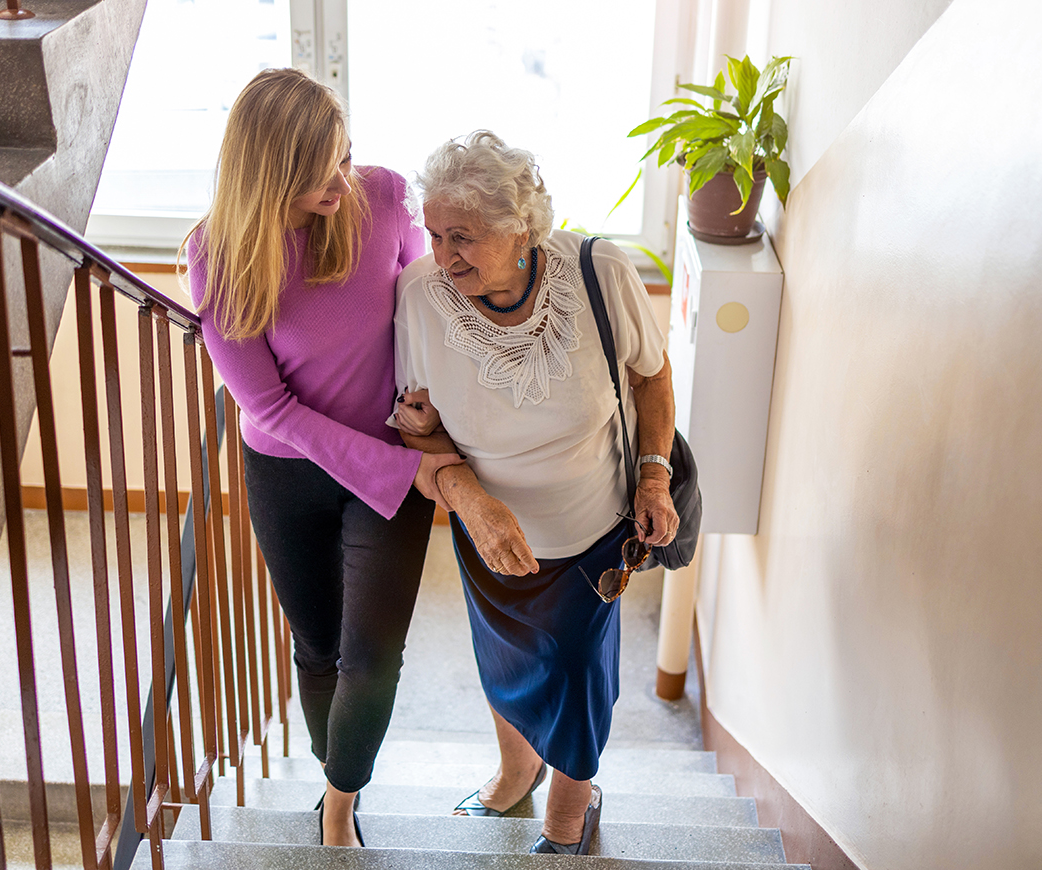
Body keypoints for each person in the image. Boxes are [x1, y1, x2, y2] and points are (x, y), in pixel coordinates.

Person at [182, 68, 462, 848]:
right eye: (320, 172)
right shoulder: (217, 255)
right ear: (270, 173)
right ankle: (336, 771)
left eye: (345, 156)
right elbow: (269, 408)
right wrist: (404, 470)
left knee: (372, 658)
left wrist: (427, 414)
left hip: (392, 460)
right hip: (289, 471)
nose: (343, 181)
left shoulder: (384, 196)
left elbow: (426, 309)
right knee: (318, 650)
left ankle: (339, 804)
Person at [390, 131, 679, 855]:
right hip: (487, 533)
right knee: (506, 661)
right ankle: (517, 770)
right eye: (434, 235)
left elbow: (651, 376)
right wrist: (469, 499)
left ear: (522, 228)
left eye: (464, 236)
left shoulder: (600, 272)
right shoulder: (420, 296)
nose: (444, 255)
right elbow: (418, 426)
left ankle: (569, 811)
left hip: (593, 533)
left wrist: (654, 474)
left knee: (577, 673)